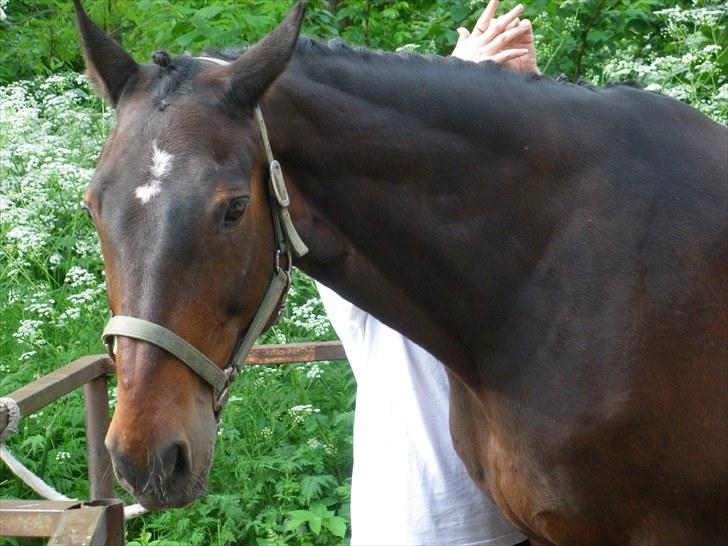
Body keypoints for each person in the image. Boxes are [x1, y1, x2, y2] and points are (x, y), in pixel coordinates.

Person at [317, 1, 541, 544]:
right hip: (409, 530)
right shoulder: (363, 244)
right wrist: (454, 77)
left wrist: (529, 95)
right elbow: (375, 162)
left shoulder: (497, 231)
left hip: (517, 526)